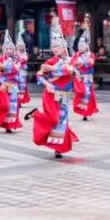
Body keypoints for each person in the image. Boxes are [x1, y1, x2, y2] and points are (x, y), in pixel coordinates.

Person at [31, 21, 81, 159]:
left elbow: (69, 71)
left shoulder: (70, 60)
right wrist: (47, 84)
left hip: (64, 93)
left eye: (57, 46)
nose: (55, 49)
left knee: (62, 120)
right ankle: (36, 115)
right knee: (54, 118)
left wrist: (53, 69)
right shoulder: (51, 60)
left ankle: (58, 148)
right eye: (53, 47)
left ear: (64, 47)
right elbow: (39, 74)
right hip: (51, 93)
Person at [0, 31, 23, 133]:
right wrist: (2, 82)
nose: (9, 50)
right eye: (7, 48)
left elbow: (17, 69)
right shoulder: (0, 59)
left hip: (14, 84)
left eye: (11, 48)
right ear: (4, 50)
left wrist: (5, 67)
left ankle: (9, 125)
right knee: (5, 105)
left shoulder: (17, 58)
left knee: (14, 105)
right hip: (3, 84)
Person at [72, 22, 98, 121]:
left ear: (87, 46)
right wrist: (76, 68)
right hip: (79, 77)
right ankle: (81, 109)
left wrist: (81, 62)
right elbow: (72, 63)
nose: (80, 47)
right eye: (79, 45)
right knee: (79, 93)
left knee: (87, 93)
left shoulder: (91, 54)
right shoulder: (76, 54)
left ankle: (85, 112)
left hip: (87, 77)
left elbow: (90, 63)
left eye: (82, 45)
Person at [16, 34, 32, 107]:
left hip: (23, 72)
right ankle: (17, 101)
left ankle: (20, 100)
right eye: (19, 46)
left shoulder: (25, 54)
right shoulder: (15, 54)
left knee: (22, 87)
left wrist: (19, 60)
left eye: (22, 46)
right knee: (16, 86)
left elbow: (24, 59)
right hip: (16, 72)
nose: (21, 47)